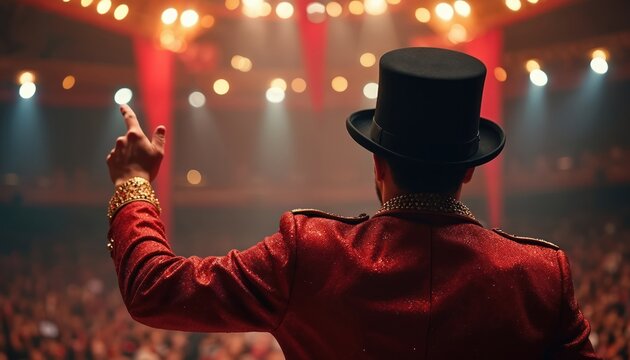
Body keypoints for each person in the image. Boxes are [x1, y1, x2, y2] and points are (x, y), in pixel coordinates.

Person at [105, 47, 598, 359]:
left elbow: (156, 289)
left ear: (377, 165)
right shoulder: (540, 276)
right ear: (471, 168)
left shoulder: (311, 252)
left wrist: (134, 182)